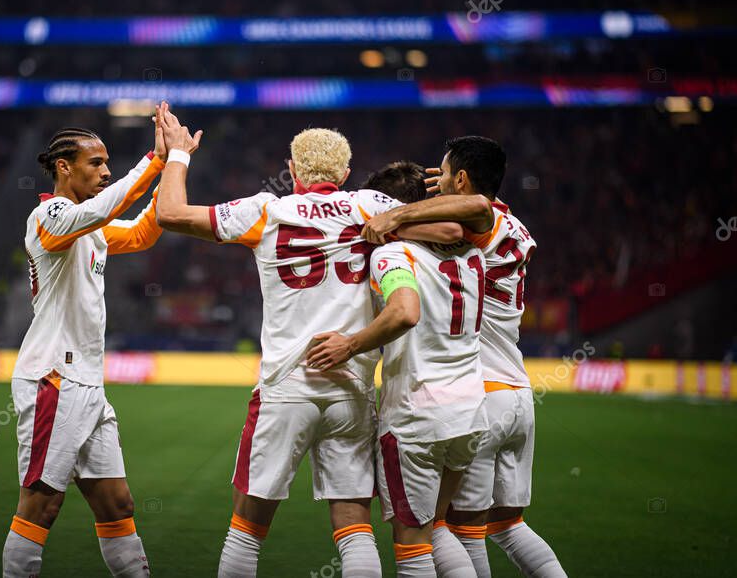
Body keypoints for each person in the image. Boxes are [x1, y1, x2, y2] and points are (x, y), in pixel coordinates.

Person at [153, 102, 461, 577]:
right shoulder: (370, 204)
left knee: (247, 529)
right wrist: (398, 217)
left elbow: (169, 213)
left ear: (292, 169)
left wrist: (177, 154)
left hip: (286, 388)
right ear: (346, 173)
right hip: (351, 388)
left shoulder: (265, 210)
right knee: (354, 526)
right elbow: (452, 230)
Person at [363, 137, 566, 577]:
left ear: (462, 179)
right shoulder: (515, 226)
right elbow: (473, 208)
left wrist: (394, 215)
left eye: (442, 175)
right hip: (518, 393)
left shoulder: (476, 222)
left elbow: (470, 212)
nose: (435, 186)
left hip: (479, 392)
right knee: (508, 525)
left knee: (455, 530)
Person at [2, 118, 188, 578]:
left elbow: (142, 232)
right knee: (41, 506)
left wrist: (175, 166)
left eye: (107, 163)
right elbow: (109, 206)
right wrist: (156, 159)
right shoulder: (49, 217)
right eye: (96, 162)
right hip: (54, 379)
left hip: (86, 385)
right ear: (64, 167)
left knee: (117, 504)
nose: (106, 171)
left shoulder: (91, 227)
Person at [308, 161, 487, 578]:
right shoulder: (471, 253)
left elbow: (405, 312)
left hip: (417, 415)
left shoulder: (393, 254)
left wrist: (349, 345)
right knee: (437, 527)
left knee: (413, 545)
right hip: (469, 409)